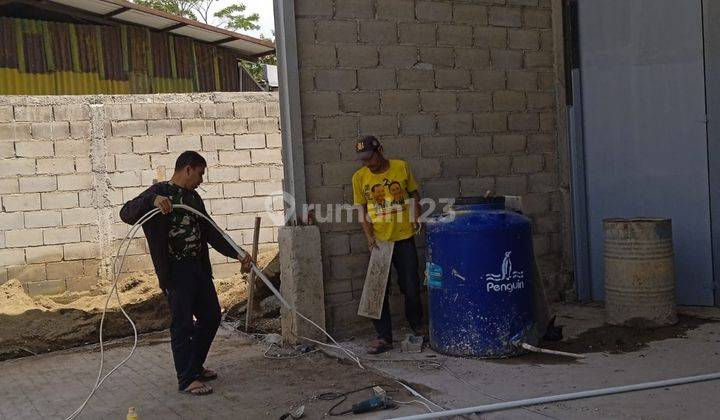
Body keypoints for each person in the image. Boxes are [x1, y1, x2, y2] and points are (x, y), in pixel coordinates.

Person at [119, 150, 252, 396]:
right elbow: (125, 213)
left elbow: (211, 232)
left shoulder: (194, 199)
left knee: (211, 316)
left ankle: (195, 367)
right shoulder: (158, 193)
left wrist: (237, 253)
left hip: (199, 269)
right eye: (200, 174)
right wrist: (153, 201)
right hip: (175, 273)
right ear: (188, 169)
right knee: (182, 324)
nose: (201, 180)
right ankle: (186, 379)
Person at [351, 135, 425, 355]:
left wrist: (416, 217)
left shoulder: (401, 168)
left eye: (370, 158)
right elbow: (362, 210)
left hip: (404, 238)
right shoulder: (359, 177)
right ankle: (384, 337)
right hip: (380, 242)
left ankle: (417, 326)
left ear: (380, 150)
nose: (367, 163)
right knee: (378, 290)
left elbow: (414, 194)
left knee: (411, 287)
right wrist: (369, 236)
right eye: (363, 160)